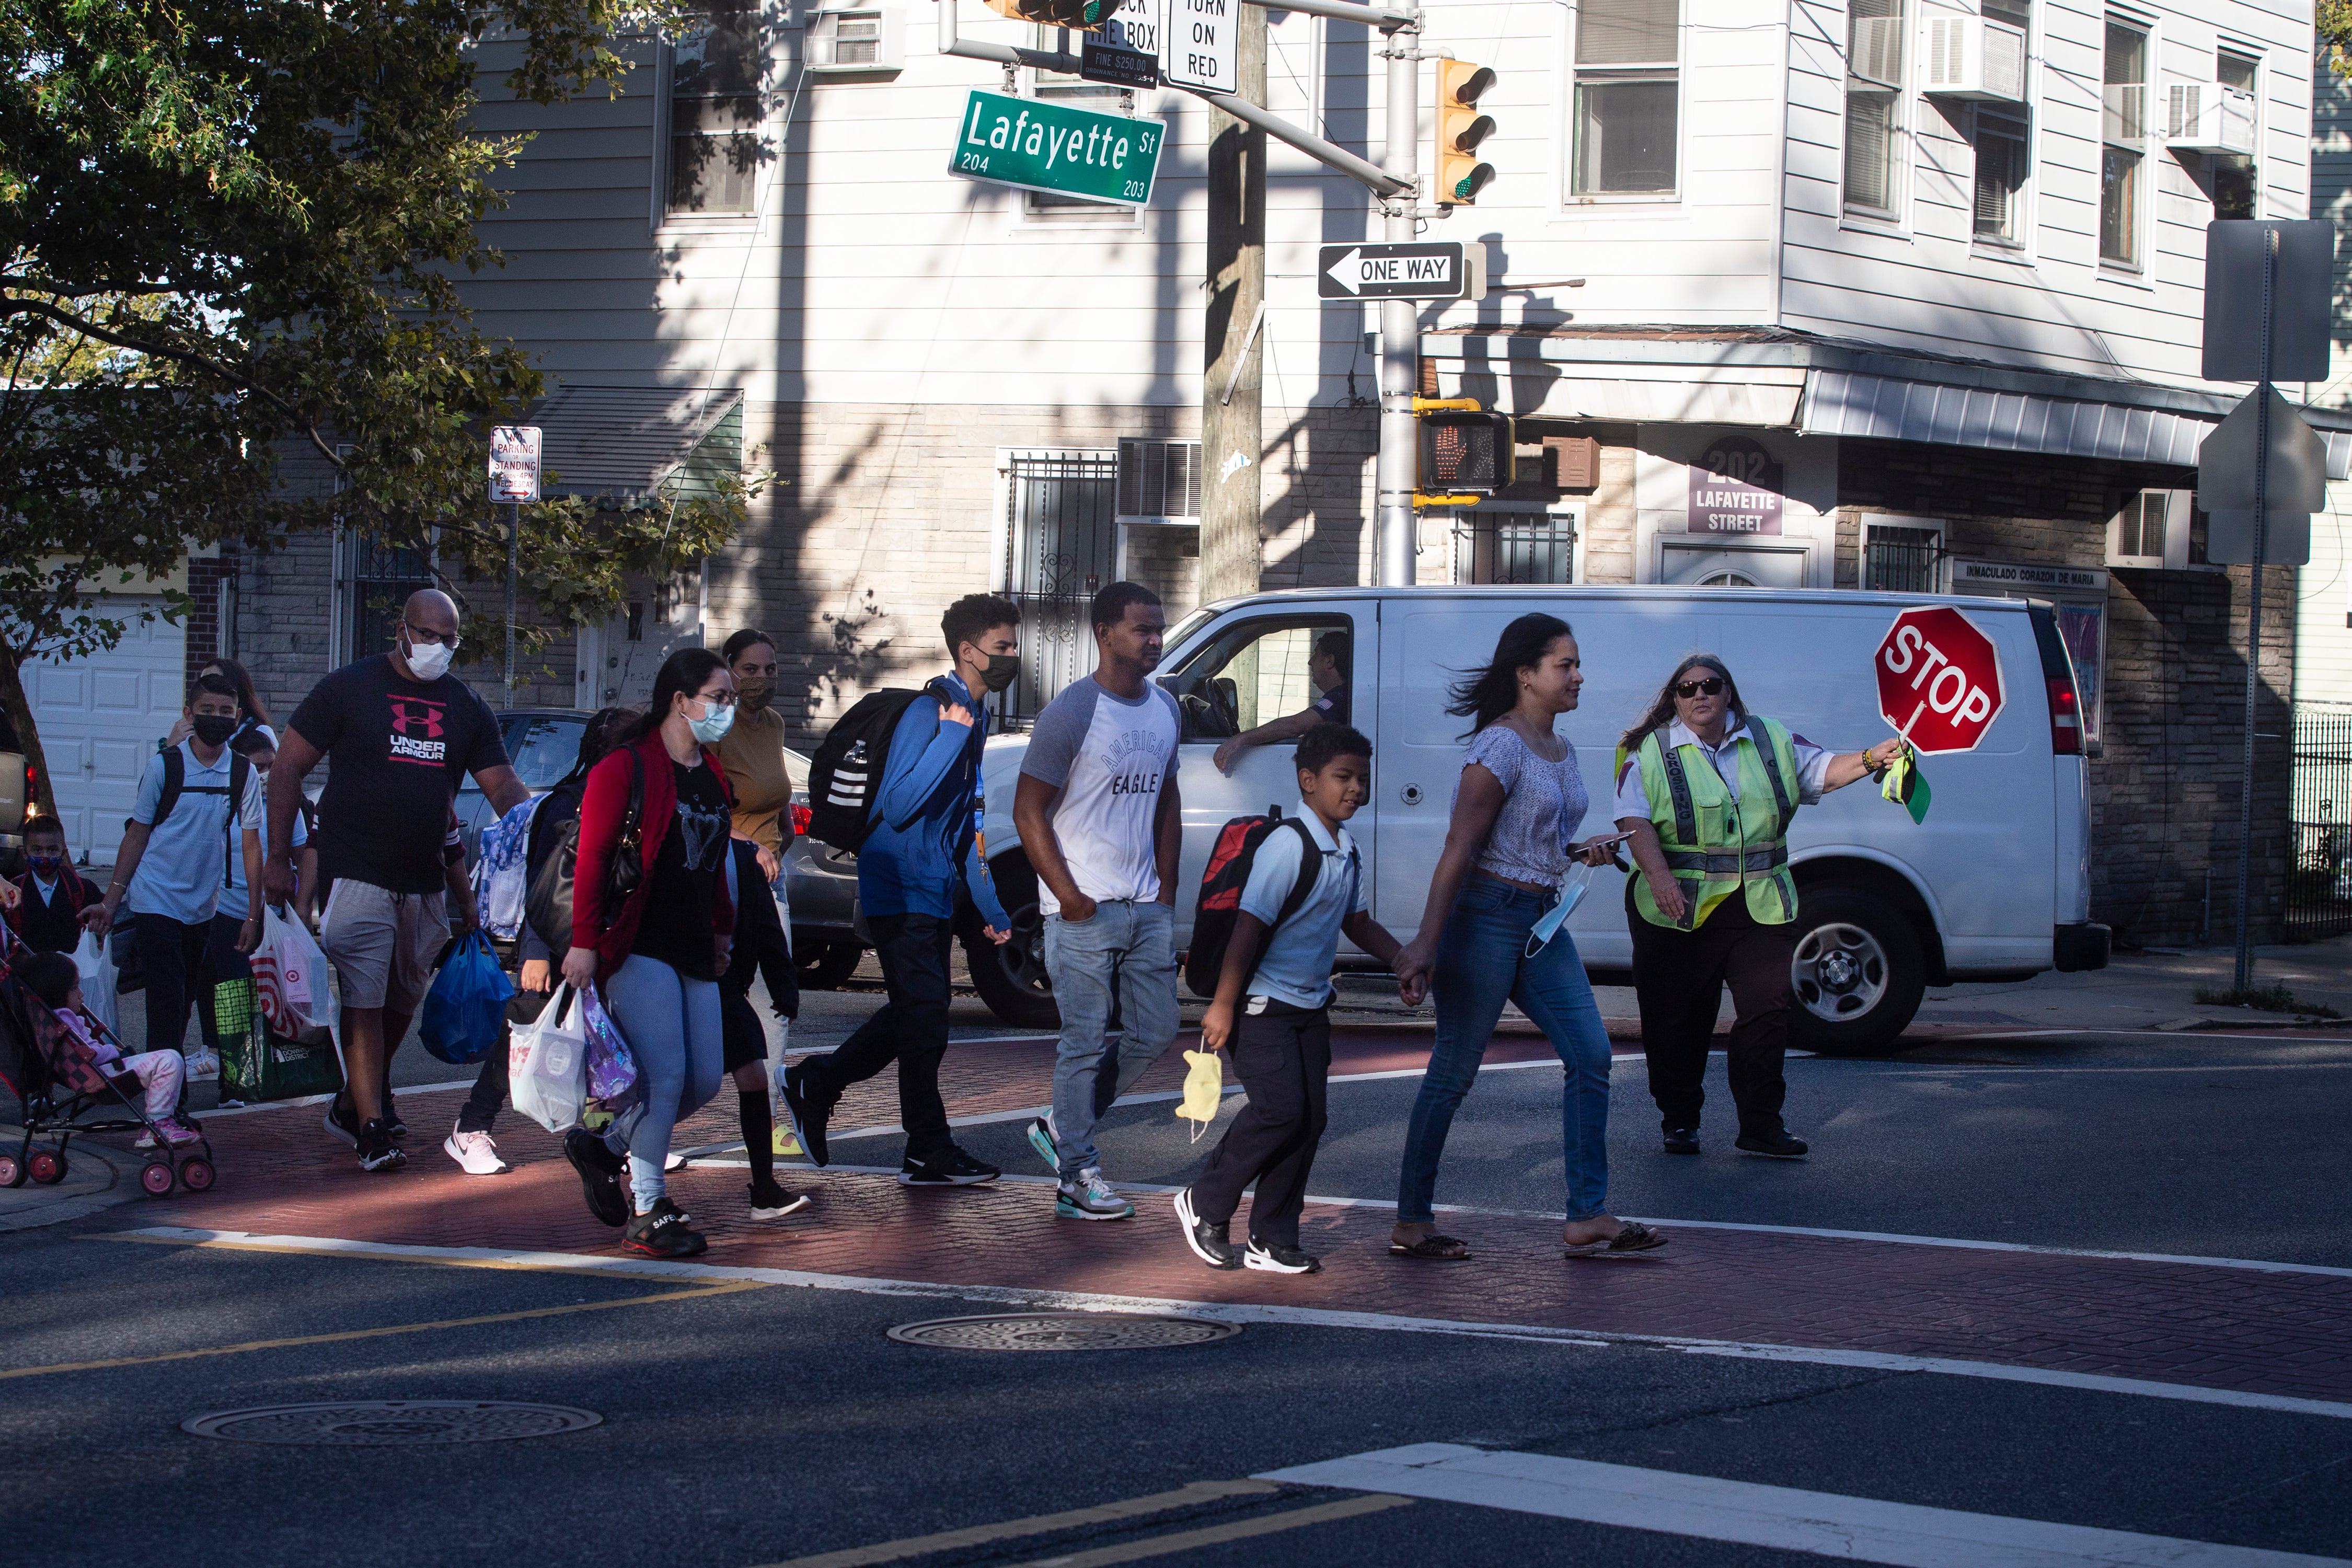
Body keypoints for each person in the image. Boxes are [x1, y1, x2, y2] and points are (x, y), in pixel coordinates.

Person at [1387, 613, 1662, 1262]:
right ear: (1525, 673)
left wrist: (1579, 849)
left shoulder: (1561, 748)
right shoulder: (1500, 747)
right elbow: (1461, 846)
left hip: (1541, 920)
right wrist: (1425, 943)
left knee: (1592, 1055)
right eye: (1565, 665)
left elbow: (1530, 840)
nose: (1578, 676)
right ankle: (1411, 1221)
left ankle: (1587, 1217)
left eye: (1576, 664)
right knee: (1454, 1073)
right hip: (1482, 916)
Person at [266, 589, 526, 1173]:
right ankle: (371, 1129)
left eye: (449, 638)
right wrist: (277, 857)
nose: (436, 647)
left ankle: (355, 1099)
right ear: (402, 630)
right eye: (427, 635)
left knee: (403, 996)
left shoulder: (465, 707)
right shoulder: (349, 687)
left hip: (423, 878)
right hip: (355, 869)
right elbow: (288, 763)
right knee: (363, 996)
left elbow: (502, 786)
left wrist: (544, 822)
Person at [1615, 654, 1905, 1160]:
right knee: (1678, 1020)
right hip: (1679, 910)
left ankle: (1761, 1126)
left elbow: (1823, 771)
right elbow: (1632, 821)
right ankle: (1680, 1120)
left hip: (1760, 907)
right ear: (1674, 698)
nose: (1699, 695)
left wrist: (1872, 758)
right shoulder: (1648, 751)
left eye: (1710, 685)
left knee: (1768, 1013)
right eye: (1687, 689)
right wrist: (1660, 880)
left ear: (1729, 692)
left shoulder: (1770, 739)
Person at [781, 594, 1017, 1187]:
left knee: (921, 1016)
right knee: (925, 1021)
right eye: (1003, 648)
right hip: (897, 885)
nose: (1013, 658)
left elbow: (965, 819)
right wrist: (946, 741)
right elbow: (900, 805)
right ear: (968, 651)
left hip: (933, 889)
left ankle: (832, 1088)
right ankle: (922, 1144)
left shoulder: (972, 714)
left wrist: (991, 907)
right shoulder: (931, 712)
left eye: (1014, 646)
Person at [1175, 724, 1414, 1274]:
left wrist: (1402, 960)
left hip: (1308, 1007)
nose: (1355, 789)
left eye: (1362, 779)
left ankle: (1272, 1237)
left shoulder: (1345, 849)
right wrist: (1223, 1006)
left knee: (1309, 1120)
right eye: (1342, 778)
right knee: (1279, 1111)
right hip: (1261, 1006)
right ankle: (1204, 1202)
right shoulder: (1290, 845)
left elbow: (1356, 921)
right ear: (1308, 781)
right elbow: (1247, 929)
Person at [1011, 581, 1183, 1221]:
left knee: (1157, 1030)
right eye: (1143, 630)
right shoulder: (1072, 712)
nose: (1155, 641)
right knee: (1082, 1044)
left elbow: (1167, 801)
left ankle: (1063, 1126)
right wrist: (1069, 897)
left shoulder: (1166, 708)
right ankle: (1077, 1176)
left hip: (1145, 907)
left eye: (1159, 628)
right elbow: (1027, 811)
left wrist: (1166, 893)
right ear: (1105, 633)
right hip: (1083, 910)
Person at [560, 647, 739, 1258]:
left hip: (693, 944)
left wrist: (722, 930)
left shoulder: (712, 775)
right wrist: (585, 943)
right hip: (638, 942)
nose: (727, 708)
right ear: (680, 701)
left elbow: (715, 862)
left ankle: (605, 1147)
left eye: (730, 699)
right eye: (718, 697)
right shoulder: (625, 767)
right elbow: (593, 858)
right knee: (664, 1078)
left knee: (703, 1079)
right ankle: (649, 1205)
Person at [446, 706, 636, 1177]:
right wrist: (534, 953)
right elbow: (543, 883)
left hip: (613, 944)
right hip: (558, 941)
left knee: (606, 1041)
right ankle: (470, 1128)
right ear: (602, 754)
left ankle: (605, 1136)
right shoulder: (567, 802)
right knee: (524, 1029)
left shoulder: (636, 805)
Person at [86, 673, 265, 1074]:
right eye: (206, 711)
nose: (216, 717)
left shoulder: (242, 774)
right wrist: (111, 901)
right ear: (189, 714)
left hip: (203, 904)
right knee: (166, 998)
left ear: (238, 717)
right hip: (156, 898)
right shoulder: (163, 768)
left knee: (184, 998)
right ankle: (165, 1105)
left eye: (225, 711)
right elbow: (137, 835)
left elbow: (252, 845)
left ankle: (163, 1080)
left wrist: (255, 913)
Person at [713, 628, 803, 1159]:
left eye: (770, 670)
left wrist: (782, 833)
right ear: (729, 669)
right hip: (725, 873)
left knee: (775, 1002)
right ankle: (614, 1097)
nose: (762, 680)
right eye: (750, 670)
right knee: (700, 996)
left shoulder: (773, 724)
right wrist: (750, 845)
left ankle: (769, 1117)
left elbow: (775, 793)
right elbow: (705, 803)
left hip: (771, 880)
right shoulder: (714, 729)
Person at [19, 950, 199, 1146]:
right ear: (56, 992)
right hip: (102, 1073)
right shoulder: (63, 1019)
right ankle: (159, 1123)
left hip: (98, 1073)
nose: (81, 994)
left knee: (167, 1060)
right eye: (74, 988)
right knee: (170, 1060)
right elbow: (91, 1053)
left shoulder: (51, 1020)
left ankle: (163, 1117)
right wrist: (114, 1051)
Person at [721, 835, 806, 1217]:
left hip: (721, 984)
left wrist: (785, 989)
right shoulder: (671, 847)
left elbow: (769, 930)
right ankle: (607, 1150)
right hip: (674, 981)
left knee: (754, 1074)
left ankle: (764, 1190)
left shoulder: (742, 859)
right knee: (679, 1082)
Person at [1210, 630, 1352, 775]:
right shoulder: (1341, 695)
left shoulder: (1339, 697)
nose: (1310, 662)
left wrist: (1239, 740)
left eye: (1316, 654)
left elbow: (1295, 726)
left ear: (1329, 661)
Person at [7, 817, 103, 954]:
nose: (45, 857)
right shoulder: (14, 892)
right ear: (24, 853)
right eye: (37, 850)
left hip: (73, 971)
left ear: (63, 852)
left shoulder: (82, 889)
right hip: (28, 972)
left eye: (52, 850)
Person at [164, 658, 274, 752]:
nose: (206, 688)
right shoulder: (195, 731)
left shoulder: (260, 732)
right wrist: (170, 746)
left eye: (214, 682)